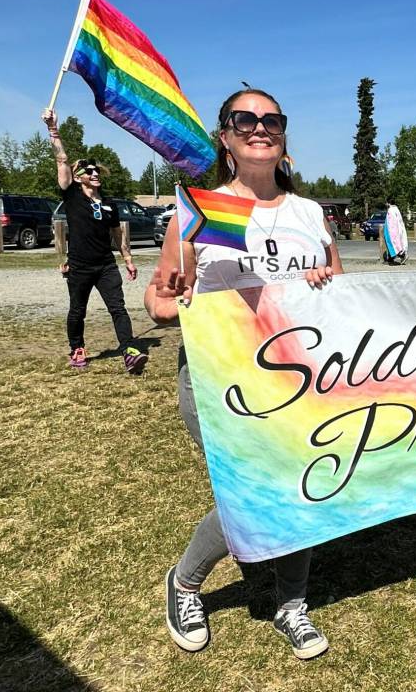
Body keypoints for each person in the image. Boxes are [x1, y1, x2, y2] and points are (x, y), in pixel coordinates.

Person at [144, 87, 343, 659]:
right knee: (251, 492)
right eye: (244, 119)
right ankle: (184, 583)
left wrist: (323, 283)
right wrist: (175, 297)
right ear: (225, 137)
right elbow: (158, 302)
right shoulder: (200, 208)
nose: (261, 128)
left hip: (299, 376)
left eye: (272, 120)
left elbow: (340, 289)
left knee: (304, 482)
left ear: (284, 137)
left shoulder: (309, 214)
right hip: (220, 379)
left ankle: (291, 600)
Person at [41, 109, 148, 373]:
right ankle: (77, 349)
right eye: (89, 171)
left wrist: (128, 259)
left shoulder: (110, 204)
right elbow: (62, 160)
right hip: (79, 265)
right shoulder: (72, 196)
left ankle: (129, 350)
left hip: (105, 265)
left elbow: (117, 233)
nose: (95, 173)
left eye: (97, 170)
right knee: (78, 310)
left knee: (118, 308)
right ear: (78, 177)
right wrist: (53, 129)